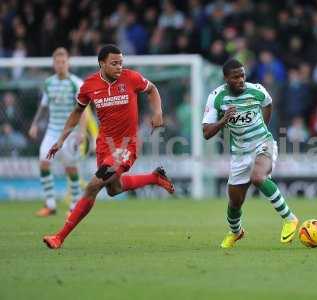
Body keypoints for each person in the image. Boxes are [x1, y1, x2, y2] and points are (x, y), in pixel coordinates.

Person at [42, 44, 174, 249]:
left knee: (92, 186)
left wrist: (157, 112)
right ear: (101, 64)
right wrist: (61, 139)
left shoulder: (132, 78)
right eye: (114, 63)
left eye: (121, 62)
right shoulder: (89, 85)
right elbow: (78, 111)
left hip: (125, 146)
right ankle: (154, 177)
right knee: (114, 188)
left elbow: (152, 89)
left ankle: (59, 237)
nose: (119, 67)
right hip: (104, 145)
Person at [202, 59, 298, 248]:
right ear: (226, 79)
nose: (240, 80)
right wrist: (223, 121)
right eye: (235, 77)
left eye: (242, 75)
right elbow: (206, 133)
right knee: (235, 202)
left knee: (258, 177)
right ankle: (236, 232)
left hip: (264, 143)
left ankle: (290, 219)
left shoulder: (257, 90)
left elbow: (268, 104)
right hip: (239, 154)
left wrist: (263, 127)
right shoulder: (216, 97)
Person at [29, 47, 86, 217]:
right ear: (53, 64)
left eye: (63, 62)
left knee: (71, 169)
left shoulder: (76, 83)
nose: (60, 65)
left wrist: (81, 132)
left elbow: (82, 110)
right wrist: (34, 124)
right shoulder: (48, 83)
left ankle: (74, 206)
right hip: (52, 131)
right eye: (57, 62)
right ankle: (51, 204)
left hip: (69, 132)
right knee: (44, 163)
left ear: (68, 63)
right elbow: (43, 106)